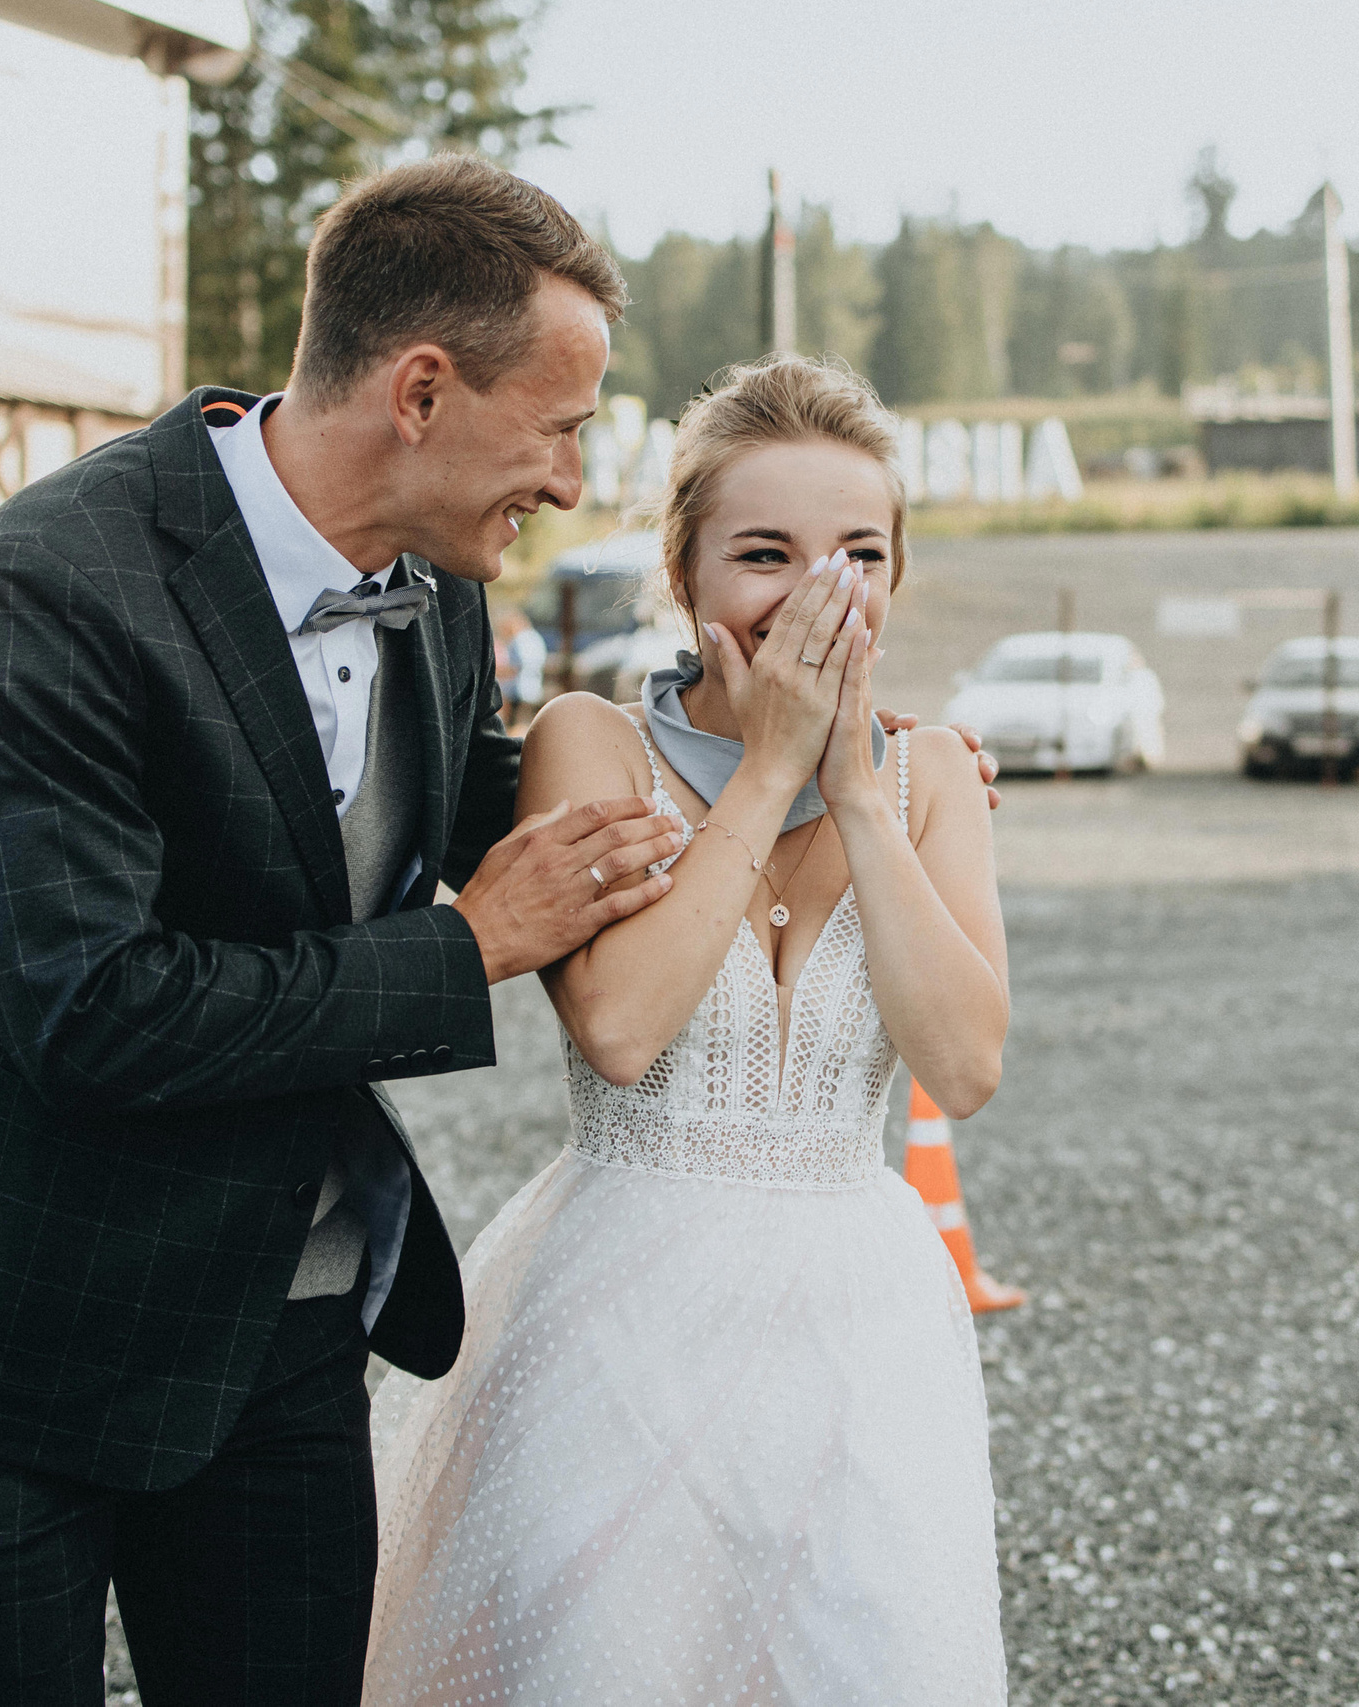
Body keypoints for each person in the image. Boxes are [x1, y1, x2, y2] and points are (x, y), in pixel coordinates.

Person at [0, 156, 684, 1706]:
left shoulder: (440, 581)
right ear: (419, 390)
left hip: (283, 1321)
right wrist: (465, 948)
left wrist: (793, 768)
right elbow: (91, 1004)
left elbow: (474, 790)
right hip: (12, 1333)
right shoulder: (53, 581)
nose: (567, 477)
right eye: (560, 422)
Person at [368, 356, 1013, 1705]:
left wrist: (858, 795)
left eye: (860, 552)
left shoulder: (933, 771)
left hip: (862, 1324)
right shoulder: (588, 739)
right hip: (617, 1313)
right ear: (686, 569)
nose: (817, 590)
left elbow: (964, 1063)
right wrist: (771, 766)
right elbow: (619, 1026)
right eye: (765, 552)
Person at [494, 608, 549, 731]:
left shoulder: (520, 640)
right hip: (533, 690)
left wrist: (498, 674)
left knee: (516, 727)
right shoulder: (535, 637)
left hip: (519, 691)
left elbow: (517, 666)